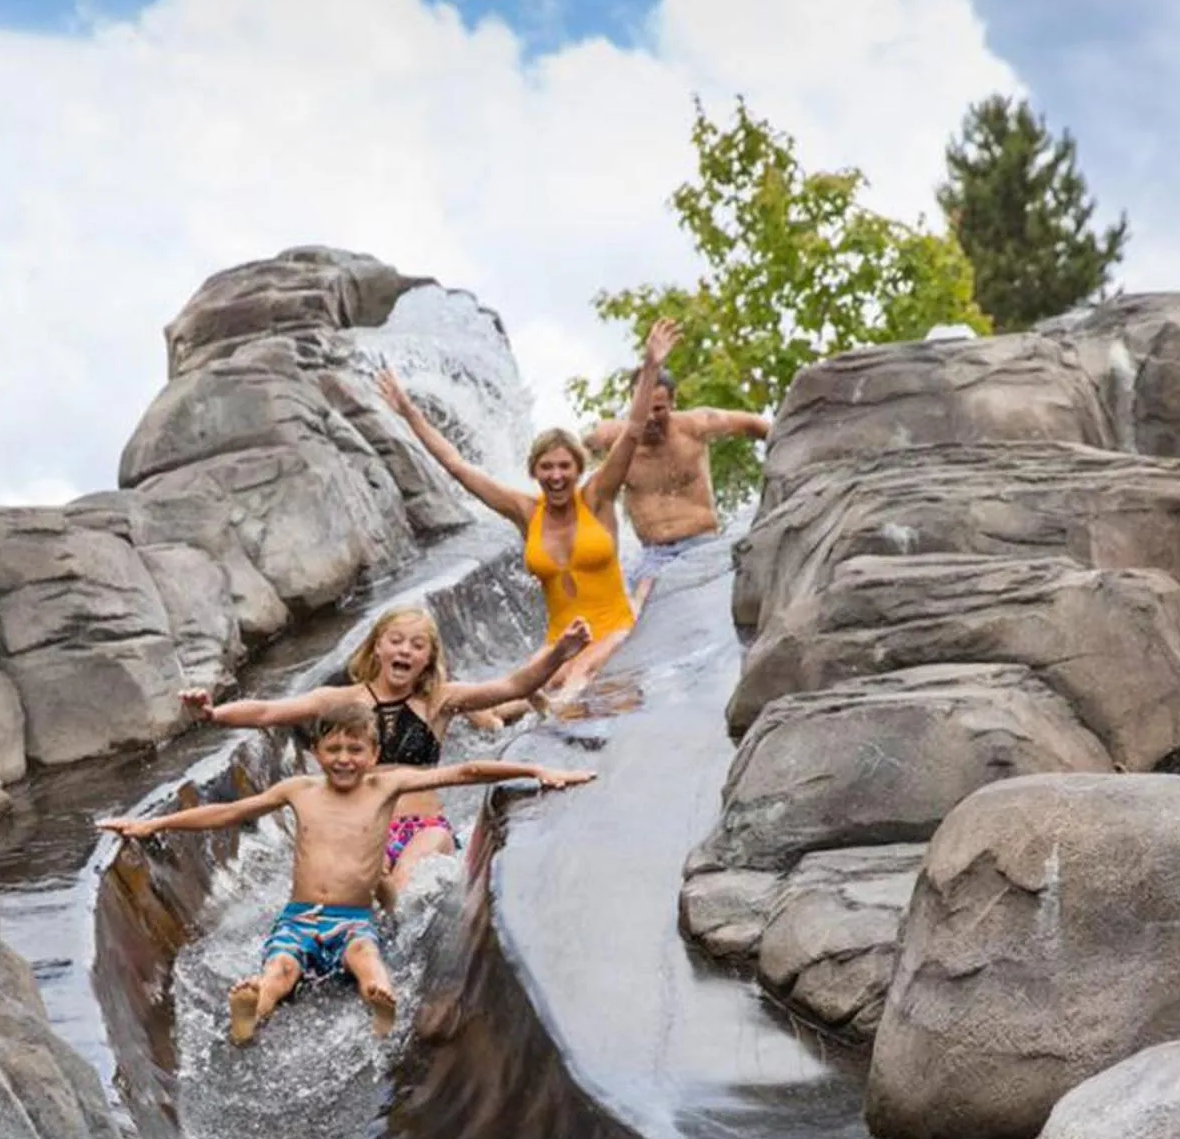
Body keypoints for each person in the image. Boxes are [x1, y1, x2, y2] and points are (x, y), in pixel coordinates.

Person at [97, 711, 593, 1045]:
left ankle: (380, 1002)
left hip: (354, 919)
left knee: (366, 959)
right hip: (300, 916)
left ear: (374, 753)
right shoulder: (300, 790)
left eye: (355, 749)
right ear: (316, 752)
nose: (344, 758)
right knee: (281, 968)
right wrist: (154, 825)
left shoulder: (385, 786)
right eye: (333, 748)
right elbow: (229, 812)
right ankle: (253, 1008)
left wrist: (535, 770)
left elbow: (465, 773)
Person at [183, 604, 594, 899]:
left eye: (417, 645)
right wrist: (213, 714)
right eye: (395, 641)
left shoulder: (439, 701)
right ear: (377, 648)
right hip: (362, 827)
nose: (405, 651)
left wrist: (560, 653)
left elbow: (511, 687)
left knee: (403, 885)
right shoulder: (344, 700)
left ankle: (390, 900)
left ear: (428, 658)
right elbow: (268, 711)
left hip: (424, 828)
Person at [374, 319, 676, 697]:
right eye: (547, 467)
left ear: (578, 470)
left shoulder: (596, 496)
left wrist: (650, 367)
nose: (556, 476)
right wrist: (407, 411)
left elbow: (631, 431)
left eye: (565, 467)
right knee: (517, 695)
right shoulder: (525, 511)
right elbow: (456, 465)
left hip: (615, 630)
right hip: (560, 643)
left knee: (579, 677)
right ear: (534, 471)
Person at [582, 326, 773, 609]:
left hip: (703, 545)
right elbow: (572, 457)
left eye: (659, 409)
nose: (650, 417)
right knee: (638, 605)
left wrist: (792, 450)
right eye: (644, 408)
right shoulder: (612, 436)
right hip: (653, 555)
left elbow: (754, 424)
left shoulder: (696, 425)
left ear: (673, 401)